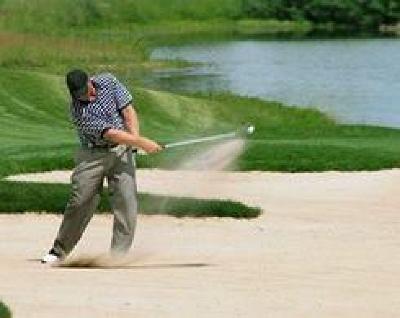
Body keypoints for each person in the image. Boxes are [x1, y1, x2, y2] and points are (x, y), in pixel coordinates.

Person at [41, 69, 163, 264]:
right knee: (81, 200)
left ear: (90, 81)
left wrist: (134, 141)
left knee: (127, 202)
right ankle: (59, 251)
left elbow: (128, 111)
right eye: (77, 94)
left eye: (84, 91)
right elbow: (111, 133)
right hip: (93, 156)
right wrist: (142, 143)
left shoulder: (108, 81)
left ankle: (118, 256)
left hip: (121, 150)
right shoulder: (78, 111)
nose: (83, 97)